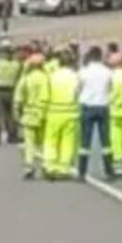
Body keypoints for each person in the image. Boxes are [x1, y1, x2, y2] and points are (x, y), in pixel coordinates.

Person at [77, 45, 115, 180]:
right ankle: (109, 171)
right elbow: (111, 88)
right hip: (103, 106)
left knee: (85, 142)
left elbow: (78, 88)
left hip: (87, 106)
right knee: (106, 142)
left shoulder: (84, 71)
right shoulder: (107, 71)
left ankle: (82, 171)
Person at [43, 49, 81, 180]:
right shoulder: (75, 76)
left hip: (53, 112)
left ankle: (49, 166)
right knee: (67, 142)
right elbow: (78, 93)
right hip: (70, 113)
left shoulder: (52, 76)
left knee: (51, 140)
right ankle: (64, 168)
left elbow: (45, 94)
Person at [14, 52, 50, 180]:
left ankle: (29, 166)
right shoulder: (46, 78)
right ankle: (45, 165)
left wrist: (17, 112)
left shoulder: (26, 78)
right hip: (44, 113)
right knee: (44, 142)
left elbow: (18, 96)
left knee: (29, 142)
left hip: (29, 113)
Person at [0, 41, 22, 145]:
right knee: (12, 115)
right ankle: (12, 136)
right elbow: (19, 76)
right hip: (13, 91)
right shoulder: (17, 63)